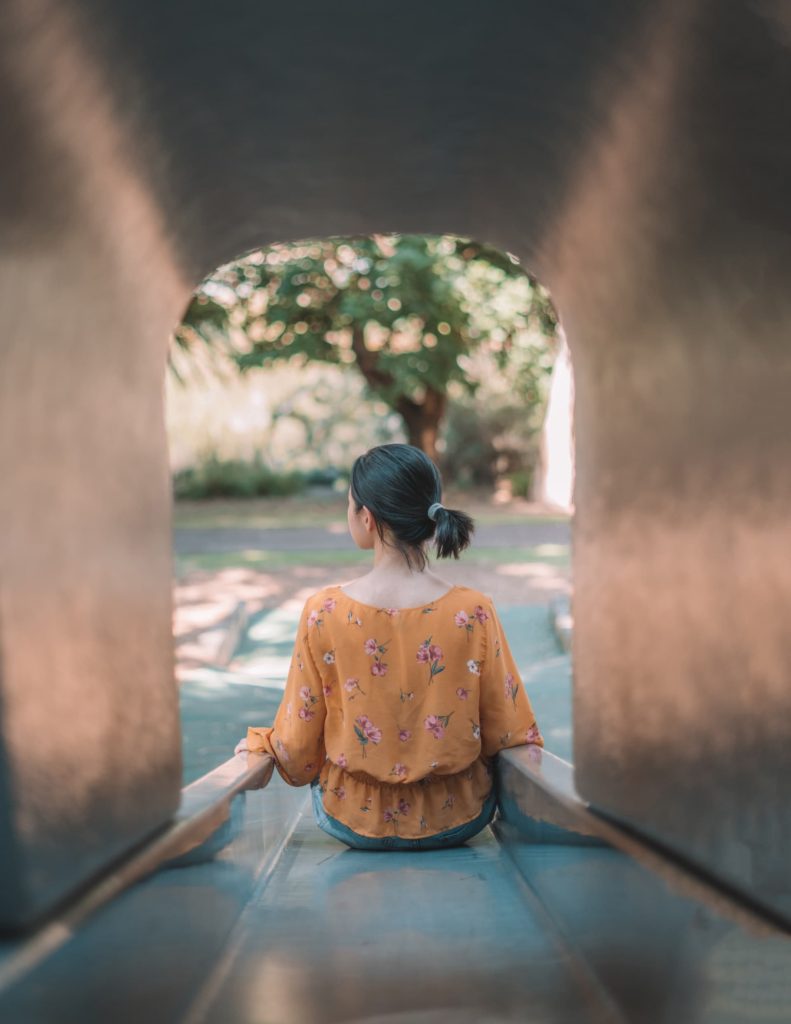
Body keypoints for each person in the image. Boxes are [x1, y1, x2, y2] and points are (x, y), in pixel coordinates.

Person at [236, 443, 543, 850]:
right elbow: (509, 731)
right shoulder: (473, 611)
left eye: (349, 506)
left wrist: (258, 748)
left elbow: (296, 752)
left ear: (367, 516)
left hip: (349, 819)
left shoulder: (324, 611)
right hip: (459, 817)